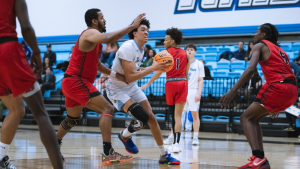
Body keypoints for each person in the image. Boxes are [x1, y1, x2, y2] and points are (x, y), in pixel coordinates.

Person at [56, 9, 146, 165]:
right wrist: (132, 26)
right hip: (76, 81)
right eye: (102, 18)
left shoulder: (95, 42)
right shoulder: (89, 33)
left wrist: (117, 76)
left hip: (71, 82)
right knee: (107, 109)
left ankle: (54, 145)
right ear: (94, 21)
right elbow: (109, 37)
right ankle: (107, 152)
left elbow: (97, 64)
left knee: (72, 119)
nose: (105, 21)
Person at [219, 23, 298, 169]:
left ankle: (258, 158)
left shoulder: (260, 45)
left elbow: (250, 69)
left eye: (256, 32)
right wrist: (279, 105)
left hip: (278, 86)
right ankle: (261, 161)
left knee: (245, 118)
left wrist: (233, 91)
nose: (253, 35)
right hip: (292, 89)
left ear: (263, 35)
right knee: (253, 119)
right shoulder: (280, 50)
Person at [106, 20, 180, 165]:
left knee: (151, 117)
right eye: (143, 29)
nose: (146, 32)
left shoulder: (142, 48)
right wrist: (153, 68)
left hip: (131, 86)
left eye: (147, 30)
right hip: (117, 89)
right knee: (142, 117)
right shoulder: (128, 47)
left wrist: (153, 67)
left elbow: (134, 73)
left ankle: (163, 155)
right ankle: (124, 135)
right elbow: (130, 77)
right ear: (134, 32)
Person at [0, 0, 64, 168]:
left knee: (17, 109)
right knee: (41, 114)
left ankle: (0, 157)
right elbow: (26, 28)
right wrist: (36, 52)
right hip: (7, 50)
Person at [141, 27, 190, 153]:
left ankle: (174, 141)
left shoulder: (165, 54)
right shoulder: (186, 54)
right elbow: (186, 74)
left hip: (171, 84)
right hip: (183, 83)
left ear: (172, 41)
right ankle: (177, 144)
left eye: (166, 39)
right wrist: (186, 89)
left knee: (173, 116)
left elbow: (158, 72)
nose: (164, 42)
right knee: (178, 116)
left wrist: (148, 83)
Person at [163, 44, 204, 145]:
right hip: (182, 89)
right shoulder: (182, 62)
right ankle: (171, 136)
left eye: (192, 50)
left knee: (195, 114)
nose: (189, 51)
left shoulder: (199, 64)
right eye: (188, 50)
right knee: (177, 115)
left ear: (195, 52)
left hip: (193, 90)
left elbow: (201, 80)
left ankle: (195, 137)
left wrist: (199, 93)